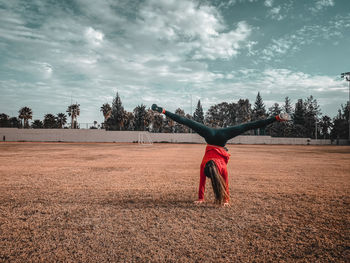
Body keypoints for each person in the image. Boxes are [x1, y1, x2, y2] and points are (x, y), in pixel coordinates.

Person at [151, 104, 290, 206]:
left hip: (216, 139)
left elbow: (211, 183)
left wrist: (206, 199)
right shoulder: (207, 165)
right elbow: (215, 182)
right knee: (248, 126)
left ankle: (163, 110)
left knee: (189, 123)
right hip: (216, 138)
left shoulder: (217, 167)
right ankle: (277, 117)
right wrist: (224, 199)